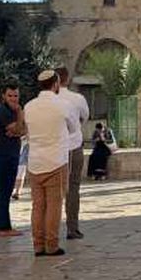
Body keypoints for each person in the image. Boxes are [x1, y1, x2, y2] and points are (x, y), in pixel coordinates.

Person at [25, 70, 75, 257]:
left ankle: (38, 245)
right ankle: (51, 244)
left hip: (35, 162)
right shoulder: (63, 105)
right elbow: (73, 128)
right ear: (55, 84)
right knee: (54, 205)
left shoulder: (29, 106)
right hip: (56, 161)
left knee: (38, 206)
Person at [56, 67, 90, 241]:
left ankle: (50, 229)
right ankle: (72, 227)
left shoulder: (47, 101)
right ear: (67, 79)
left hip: (54, 149)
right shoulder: (77, 99)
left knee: (52, 190)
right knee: (73, 188)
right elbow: (84, 117)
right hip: (73, 146)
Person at [0, 83, 26, 237]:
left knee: (5, 191)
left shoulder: (10, 112)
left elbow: (23, 130)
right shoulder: (3, 111)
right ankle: (3, 227)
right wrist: (20, 114)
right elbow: (19, 129)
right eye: (10, 95)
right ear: (3, 96)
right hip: (3, 156)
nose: (13, 99)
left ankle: (0, 225)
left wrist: (18, 130)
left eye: (16, 96)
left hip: (10, 155)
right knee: (4, 192)